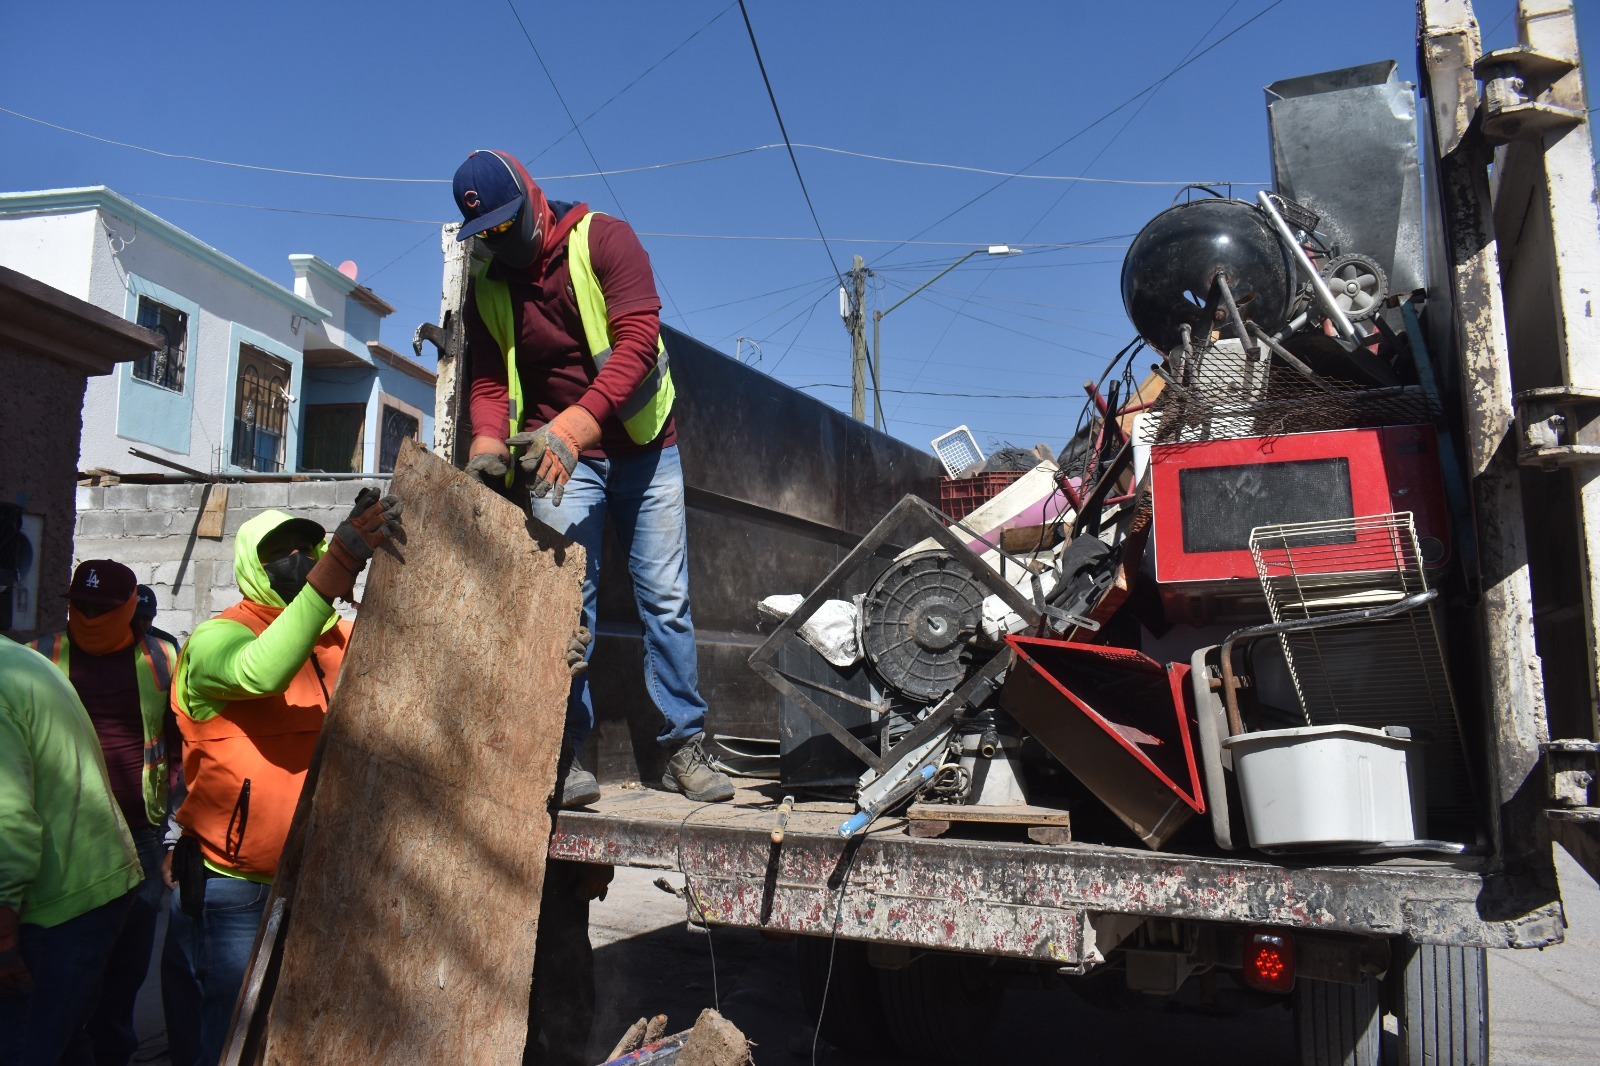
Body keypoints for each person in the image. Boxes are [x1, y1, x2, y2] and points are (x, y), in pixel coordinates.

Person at [451, 148, 733, 808]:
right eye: (486, 232)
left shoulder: (604, 240)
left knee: (665, 599)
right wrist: (486, 442)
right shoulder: (488, 281)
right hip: (558, 457)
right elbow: (489, 380)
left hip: (643, 448)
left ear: (532, 198)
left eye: (506, 223)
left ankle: (684, 744)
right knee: (562, 603)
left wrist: (577, 426)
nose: (499, 239)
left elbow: (637, 345)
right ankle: (562, 753)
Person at [163, 491, 401, 1066]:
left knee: (307, 1035)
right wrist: (336, 568)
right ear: (251, 565)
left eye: (305, 547)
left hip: (326, 879)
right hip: (235, 888)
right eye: (278, 553)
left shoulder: (343, 638)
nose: (296, 559)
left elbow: (424, 674)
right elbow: (260, 672)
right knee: (226, 1040)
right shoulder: (216, 638)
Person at [28, 561, 179, 1066]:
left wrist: (177, 826)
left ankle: (112, 1052)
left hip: (137, 836)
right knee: (63, 967)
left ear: (131, 607)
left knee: (125, 967)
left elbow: (183, 744)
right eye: (82, 607)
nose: (90, 618)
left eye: (103, 610)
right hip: (60, 838)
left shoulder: (162, 658)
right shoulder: (40, 656)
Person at [0, 637, 144, 1066]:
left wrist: (3, 937)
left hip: (58, 904)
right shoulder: (18, 658)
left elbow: (7, 821)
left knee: (23, 1047)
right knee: (64, 1042)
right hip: (90, 885)